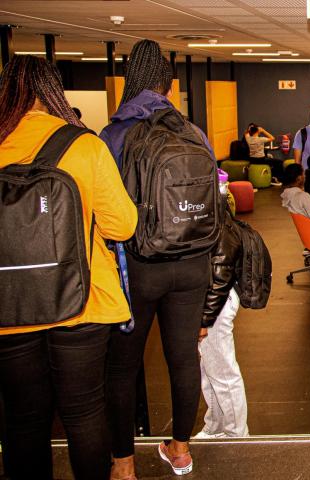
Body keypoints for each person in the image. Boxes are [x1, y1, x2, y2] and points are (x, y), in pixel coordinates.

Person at [0, 55, 137, 480]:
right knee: (83, 410)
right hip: (83, 301)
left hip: (10, 306)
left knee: (23, 418)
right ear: (53, 92)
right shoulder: (83, 145)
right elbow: (123, 224)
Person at [99, 39, 213, 478]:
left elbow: (108, 211)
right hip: (192, 262)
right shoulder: (193, 132)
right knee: (184, 357)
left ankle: (124, 465)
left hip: (138, 266)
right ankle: (180, 449)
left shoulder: (116, 134)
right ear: (168, 87)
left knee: (122, 366)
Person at [195, 200, 250, 439]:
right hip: (208, 301)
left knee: (222, 372)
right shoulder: (205, 213)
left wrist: (206, 319)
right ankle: (216, 425)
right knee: (208, 369)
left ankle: (237, 434)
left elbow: (220, 275)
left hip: (215, 303)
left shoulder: (215, 219)